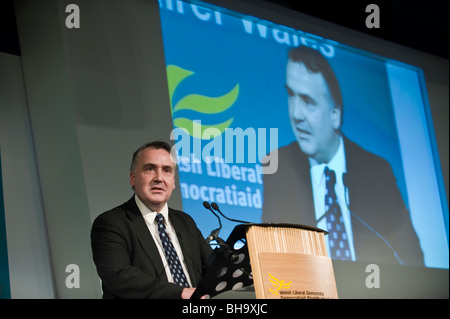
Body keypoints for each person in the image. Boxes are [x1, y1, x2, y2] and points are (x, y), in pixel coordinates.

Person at [262, 46, 424, 266]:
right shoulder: (279, 165)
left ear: (335, 115)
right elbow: (273, 260)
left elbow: (412, 259)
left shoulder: (377, 170)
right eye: (291, 96)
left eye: (308, 101)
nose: (296, 114)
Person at [91, 141, 212, 298]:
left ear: (173, 182)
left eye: (167, 170)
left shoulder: (185, 222)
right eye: (150, 169)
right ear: (133, 178)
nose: (159, 178)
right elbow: (119, 276)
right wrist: (180, 293)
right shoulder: (111, 223)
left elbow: (212, 267)